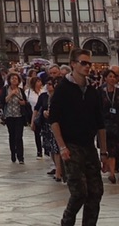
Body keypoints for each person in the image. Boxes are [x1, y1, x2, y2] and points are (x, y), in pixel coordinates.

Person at [49, 50, 105, 226]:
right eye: (83, 63)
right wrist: (62, 146)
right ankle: (67, 221)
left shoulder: (92, 90)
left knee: (96, 191)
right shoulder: (63, 89)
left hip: (88, 145)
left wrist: (104, 152)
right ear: (73, 64)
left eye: (89, 63)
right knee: (79, 192)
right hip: (71, 145)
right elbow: (54, 120)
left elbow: (100, 123)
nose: (87, 66)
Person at [0, 71, 29, 165]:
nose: (14, 80)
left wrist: (23, 103)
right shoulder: (5, 89)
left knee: (19, 136)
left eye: (16, 78)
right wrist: (11, 94)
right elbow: (2, 101)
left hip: (19, 115)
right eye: (12, 78)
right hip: (9, 116)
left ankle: (21, 157)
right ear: (9, 80)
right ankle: (13, 153)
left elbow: (25, 101)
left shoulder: (21, 90)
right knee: (12, 135)